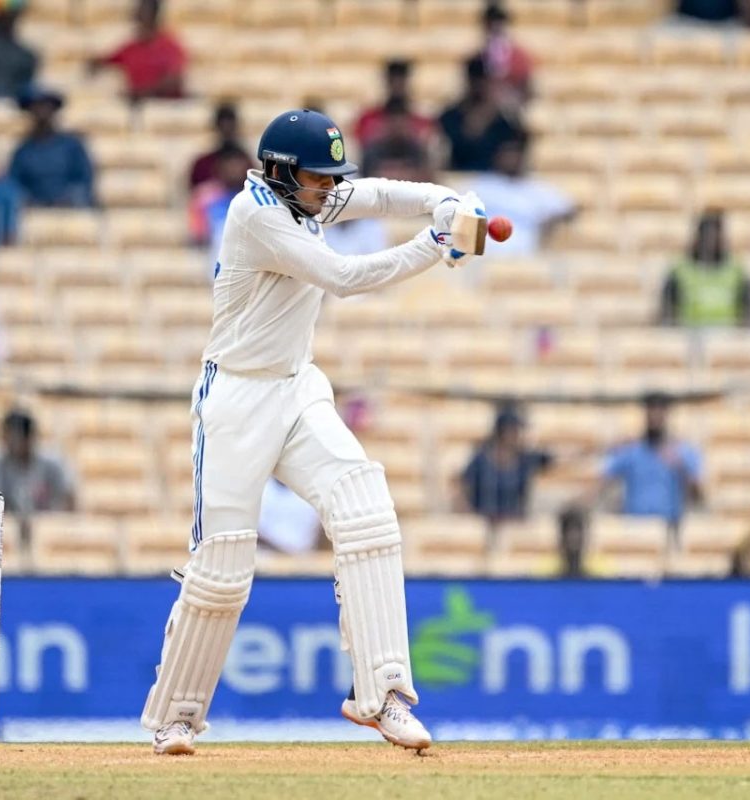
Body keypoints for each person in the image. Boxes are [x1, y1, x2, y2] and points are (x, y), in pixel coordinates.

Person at [140, 107, 486, 756]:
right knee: (223, 568)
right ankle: (177, 718)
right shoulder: (259, 215)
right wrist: (438, 244)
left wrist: (450, 201)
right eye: (318, 180)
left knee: (367, 511)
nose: (329, 190)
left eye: (331, 180)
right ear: (279, 171)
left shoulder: (308, 197)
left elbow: (381, 192)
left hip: (296, 386)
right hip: (237, 396)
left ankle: (383, 696)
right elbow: (343, 278)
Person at [596, 392, 704, 531]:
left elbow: (698, 496)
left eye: (659, 411)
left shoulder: (683, 451)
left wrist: (681, 467)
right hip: (635, 527)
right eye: (651, 411)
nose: (655, 417)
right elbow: (602, 481)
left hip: (669, 527)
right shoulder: (632, 450)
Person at [469, 133, 574, 256]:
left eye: (516, 154)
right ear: (497, 156)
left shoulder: (537, 189)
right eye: (507, 155)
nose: (511, 159)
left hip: (524, 260)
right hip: (484, 259)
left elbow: (569, 210)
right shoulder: (481, 186)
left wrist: (550, 222)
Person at [0, 407, 75, 550]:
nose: (7, 443)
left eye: (13, 438)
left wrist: (48, 525)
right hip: (10, 536)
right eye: (5, 437)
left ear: (28, 438)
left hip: (49, 534)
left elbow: (69, 500)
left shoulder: (52, 463)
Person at [458, 404, 554, 536]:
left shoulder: (524, 459)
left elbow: (553, 459)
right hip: (484, 524)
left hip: (515, 527)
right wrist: (471, 518)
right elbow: (463, 488)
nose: (518, 435)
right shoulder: (481, 460)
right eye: (514, 431)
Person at [660, 209, 750, 327]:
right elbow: (667, 312)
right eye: (706, 235)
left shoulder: (737, 271)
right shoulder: (679, 271)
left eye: (715, 235)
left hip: (728, 337)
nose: (710, 241)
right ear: (698, 237)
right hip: (689, 336)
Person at [7, 87, 95, 208]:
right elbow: (15, 185)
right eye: (36, 107)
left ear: (54, 110)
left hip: (71, 213)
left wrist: (68, 199)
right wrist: (30, 202)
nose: (41, 112)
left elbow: (84, 180)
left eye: (45, 106)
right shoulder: (22, 152)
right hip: (34, 215)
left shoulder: (72, 146)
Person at [439, 56, 523, 172]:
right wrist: (487, 110)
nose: (482, 86)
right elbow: (467, 141)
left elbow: (512, 153)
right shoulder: (451, 116)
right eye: (480, 80)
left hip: (494, 180)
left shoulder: (503, 120)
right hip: (461, 178)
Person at [90, 0, 186, 102]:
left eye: (143, 11)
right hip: (135, 104)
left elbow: (174, 81)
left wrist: (143, 93)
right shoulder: (131, 47)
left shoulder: (170, 46)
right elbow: (107, 60)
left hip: (163, 107)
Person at [188, 144, 252, 272]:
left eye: (237, 165)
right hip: (213, 254)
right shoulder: (205, 197)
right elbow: (198, 236)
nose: (234, 170)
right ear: (220, 168)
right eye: (230, 166)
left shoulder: (252, 198)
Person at [353, 59, 435, 147]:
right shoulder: (368, 120)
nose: (397, 87)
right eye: (393, 81)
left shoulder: (422, 122)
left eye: (400, 82)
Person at [361, 97, 433, 182]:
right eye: (393, 122)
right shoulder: (373, 149)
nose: (397, 127)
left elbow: (425, 176)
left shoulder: (417, 149)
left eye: (401, 122)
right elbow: (367, 178)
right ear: (385, 123)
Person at [478, 2, 533, 109]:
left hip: (511, 111)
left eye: (499, 23)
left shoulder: (519, 57)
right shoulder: (476, 61)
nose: (495, 28)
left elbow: (527, 91)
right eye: (490, 24)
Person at [257, 477, 323, 554]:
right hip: (264, 556)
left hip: (299, 559)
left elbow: (303, 543)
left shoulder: (310, 493)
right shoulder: (263, 488)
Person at [188, 102, 242, 189]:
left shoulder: (245, 162)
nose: (226, 130)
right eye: (223, 125)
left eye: (230, 126)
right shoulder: (202, 165)